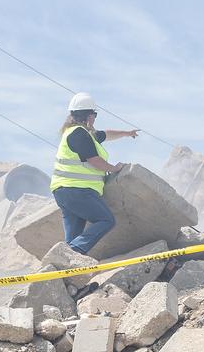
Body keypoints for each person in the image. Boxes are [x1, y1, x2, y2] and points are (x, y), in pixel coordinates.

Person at [49, 92, 138, 255]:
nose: (95, 119)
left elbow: (107, 134)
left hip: (64, 192)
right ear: (89, 116)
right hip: (78, 191)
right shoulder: (79, 134)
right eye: (95, 115)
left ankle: (66, 261)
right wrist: (114, 168)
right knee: (106, 220)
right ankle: (71, 252)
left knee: (73, 237)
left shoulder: (80, 133)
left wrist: (127, 133)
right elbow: (94, 160)